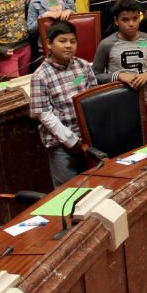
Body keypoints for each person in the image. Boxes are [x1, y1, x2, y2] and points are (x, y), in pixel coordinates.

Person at [29, 20, 98, 186]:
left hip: (88, 136)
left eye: (73, 41)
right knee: (68, 191)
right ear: (49, 44)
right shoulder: (40, 76)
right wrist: (71, 141)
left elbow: (94, 96)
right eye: (62, 41)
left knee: (96, 184)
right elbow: (44, 114)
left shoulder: (83, 66)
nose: (68, 46)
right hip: (61, 143)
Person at [93, 0, 147, 118]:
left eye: (135, 18)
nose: (131, 23)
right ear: (116, 21)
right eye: (125, 19)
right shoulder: (106, 44)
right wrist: (119, 76)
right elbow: (95, 75)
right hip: (119, 102)